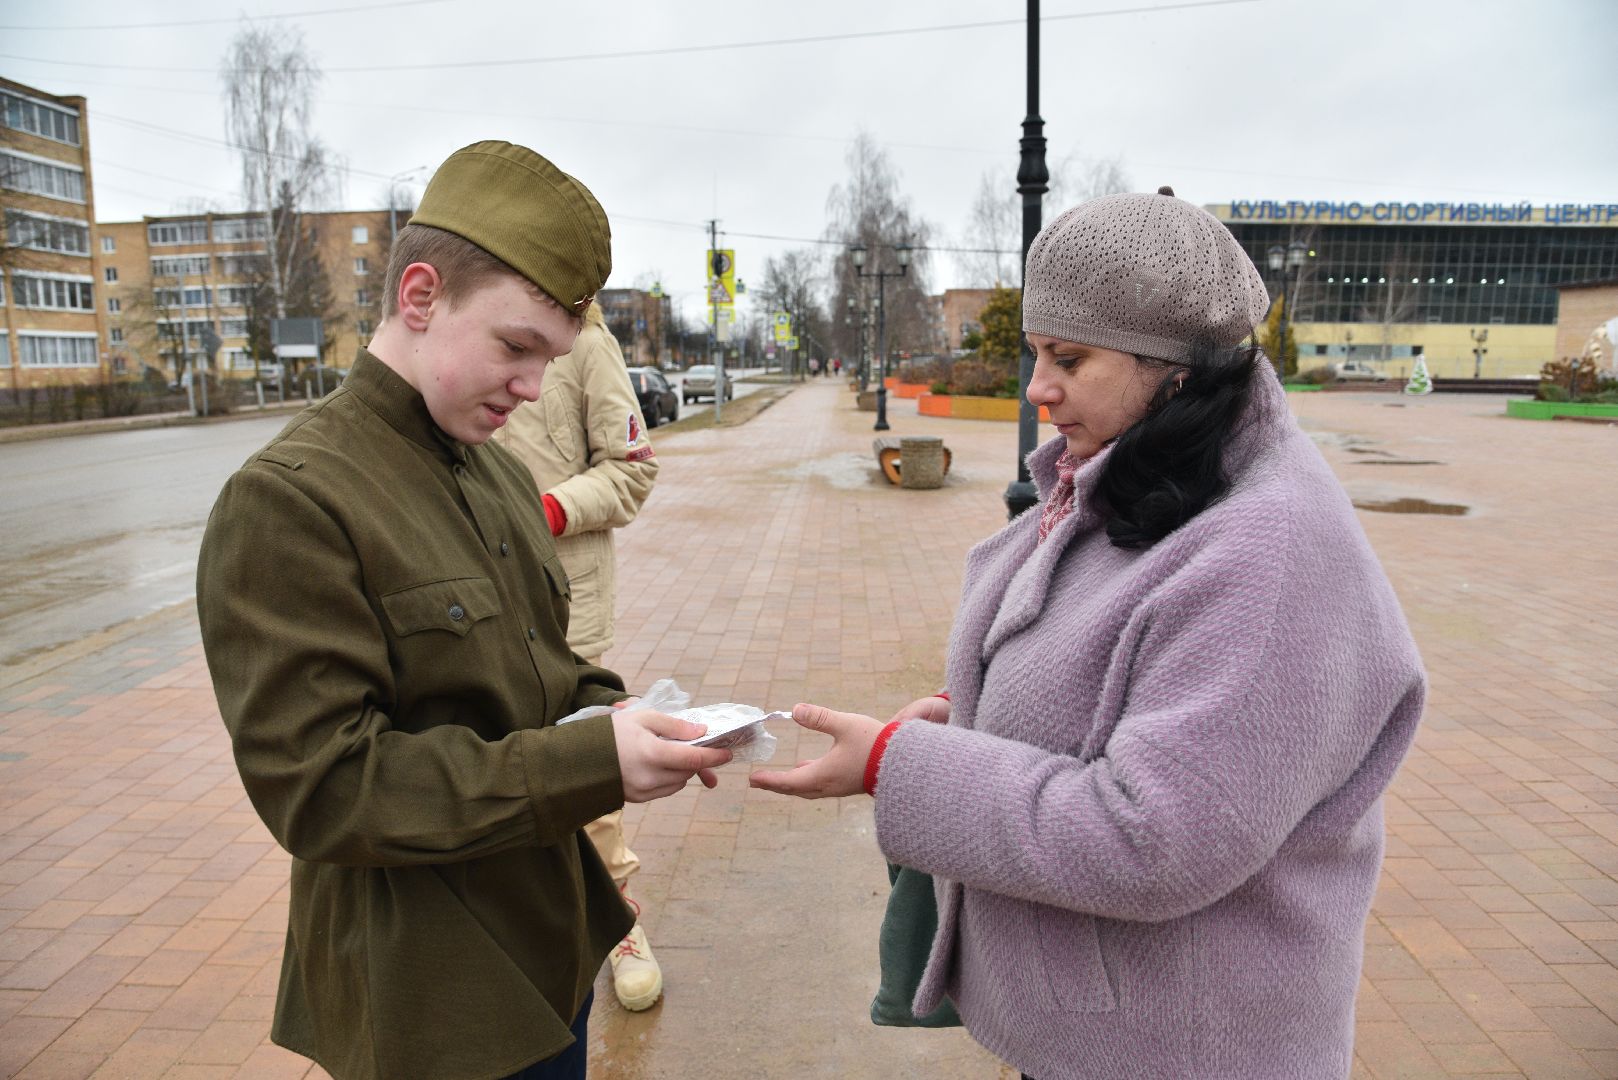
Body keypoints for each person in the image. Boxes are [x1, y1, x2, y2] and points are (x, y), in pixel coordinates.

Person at [752, 189, 1426, 1079]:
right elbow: (1128, 681)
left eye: (1068, 356)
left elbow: (1155, 839)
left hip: (1190, 1051)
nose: (1037, 388)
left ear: (1174, 365)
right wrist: (974, 721)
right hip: (1108, 1037)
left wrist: (895, 766)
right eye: (1036, 352)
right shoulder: (1154, 473)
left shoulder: (1270, 554)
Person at [196, 141, 730, 1080]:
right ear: (419, 297)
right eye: (517, 348)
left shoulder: (495, 471)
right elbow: (324, 790)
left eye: (551, 359)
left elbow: (544, 670)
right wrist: (587, 758)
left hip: (549, 945)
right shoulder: (291, 502)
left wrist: (625, 716)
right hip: (430, 1001)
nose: (532, 387)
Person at [493, 305, 666, 1012]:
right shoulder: (464, 330)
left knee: (583, 764)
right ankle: (517, 927)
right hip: (470, 594)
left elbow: (632, 471)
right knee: (496, 757)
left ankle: (620, 923)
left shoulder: (587, 343)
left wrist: (545, 510)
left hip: (562, 597)